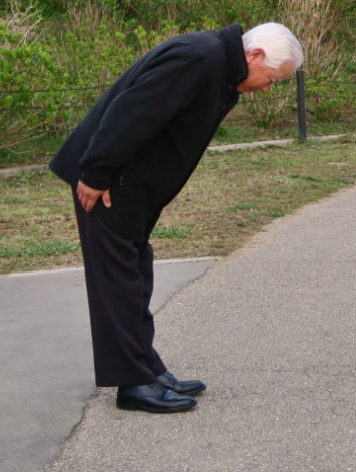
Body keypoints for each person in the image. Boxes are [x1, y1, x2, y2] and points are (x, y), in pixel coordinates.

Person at [50, 22, 304, 414]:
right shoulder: (199, 59)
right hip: (108, 183)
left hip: (130, 185)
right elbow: (133, 111)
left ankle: (147, 369)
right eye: (271, 78)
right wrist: (96, 171)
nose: (267, 88)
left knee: (134, 274)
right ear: (254, 56)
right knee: (118, 282)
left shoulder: (220, 69)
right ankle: (133, 384)